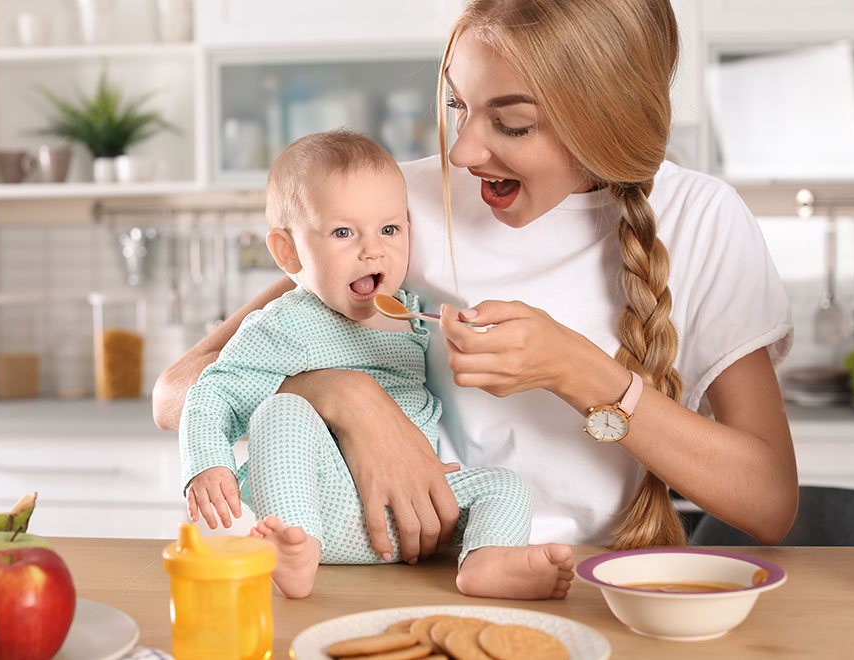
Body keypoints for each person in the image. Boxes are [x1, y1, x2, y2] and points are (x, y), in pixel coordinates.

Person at [155, 0, 798, 562]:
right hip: (411, 575)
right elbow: (178, 393)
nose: (462, 152)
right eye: (458, 105)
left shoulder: (703, 219)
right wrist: (347, 398)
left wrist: (578, 372)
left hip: (596, 583)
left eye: (511, 124)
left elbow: (769, 502)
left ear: (608, 115)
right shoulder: (394, 208)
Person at [180, 129, 573, 600]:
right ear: (289, 252)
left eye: (390, 229)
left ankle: (487, 560)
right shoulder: (286, 324)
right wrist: (207, 464)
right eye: (343, 233)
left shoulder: (411, 315)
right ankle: (293, 547)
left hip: (419, 513)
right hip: (327, 509)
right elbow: (213, 392)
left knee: (505, 486)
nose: (373, 250)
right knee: (277, 412)